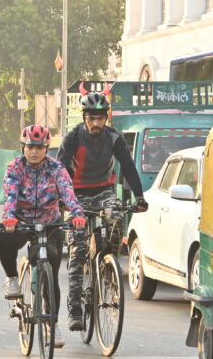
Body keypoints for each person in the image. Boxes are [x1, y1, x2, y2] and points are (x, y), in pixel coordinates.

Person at [56, 91, 148, 331]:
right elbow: (60, 171)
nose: (96, 123)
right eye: (91, 118)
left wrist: (139, 197)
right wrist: (62, 201)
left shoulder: (114, 138)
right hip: (76, 195)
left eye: (100, 118)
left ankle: (107, 264)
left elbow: (128, 167)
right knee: (77, 252)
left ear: (106, 118)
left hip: (104, 191)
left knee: (117, 218)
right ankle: (75, 309)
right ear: (84, 117)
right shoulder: (72, 137)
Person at [0, 125, 85, 348]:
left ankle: (52, 324)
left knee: (52, 275)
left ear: (47, 149)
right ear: (23, 148)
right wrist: (9, 216)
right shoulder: (15, 168)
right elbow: (10, 194)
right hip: (22, 221)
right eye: (30, 147)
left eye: (39, 147)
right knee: (4, 239)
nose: (34, 152)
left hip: (50, 223)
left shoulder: (57, 168)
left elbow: (68, 192)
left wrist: (76, 213)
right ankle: (12, 278)